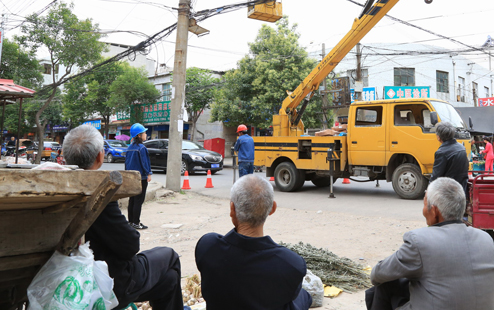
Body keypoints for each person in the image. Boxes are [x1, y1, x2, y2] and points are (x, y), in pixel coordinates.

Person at [62, 125, 183, 310]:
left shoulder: (55, 191)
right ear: (100, 157)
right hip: (107, 281)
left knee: (169, 279)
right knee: (170, 256)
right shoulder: (99, 194)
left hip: (62, 273)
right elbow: (130, 246)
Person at [365, 177, 494, 310]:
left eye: (424, 204)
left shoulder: (419, 240)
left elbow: (377, 274)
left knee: (386, 284)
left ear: (434, 211)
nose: (424, 210)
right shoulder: (485, 239)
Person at [195, 174, 312, 310]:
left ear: (232, 209)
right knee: (304, 296)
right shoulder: (291, 263)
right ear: (272, 209)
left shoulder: (208, 246)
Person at [430, 122, 469, 198]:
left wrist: (428, 191)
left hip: (449, 193)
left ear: (438, 137)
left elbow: (436, 176)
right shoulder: (461, 147)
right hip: (462, 190)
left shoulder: (441, 152)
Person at [125, 123, 152, 230]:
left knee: (132, 199)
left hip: (131, 178)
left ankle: (131, 221)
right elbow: (145, 163)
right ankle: (136, 222)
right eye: (144, 133)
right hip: (141, 178)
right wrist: (148, 173)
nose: (146, 134)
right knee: (138, 201)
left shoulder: (129, 148)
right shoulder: (141, 148)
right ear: (139, 135)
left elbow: (126, 163)